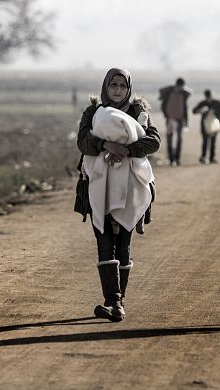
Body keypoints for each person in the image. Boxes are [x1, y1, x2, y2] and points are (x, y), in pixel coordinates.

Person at [77, 68, 160, 321]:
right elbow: (82, 141)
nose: (117, 89)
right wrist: (104, 145)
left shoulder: (138, 112)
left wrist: (124, 149)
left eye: (122, 85)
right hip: (98, 187)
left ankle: (116, 303)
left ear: (129, 89)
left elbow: (153, 141)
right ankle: (113, 302)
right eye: (113, 84)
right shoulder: (93, 112)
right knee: (104, 241)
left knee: (123, 243)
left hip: (131, 188)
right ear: (105, 87)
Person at [158, 77, 191, 166]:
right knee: (170, 139)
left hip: (180, 119)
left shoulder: (183, 94)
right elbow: (163, 104)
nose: (181, 88)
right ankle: (171, 159)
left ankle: (177, 158)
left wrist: (186, 121)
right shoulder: (169, 92)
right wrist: (166, 115)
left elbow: (185, 106)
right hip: (170, 119)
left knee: (179, 139)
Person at [192, 89, 220, 164]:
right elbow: (194, 111)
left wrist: (214, 111)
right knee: (205, 141)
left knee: (213, 142)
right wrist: (201, 110)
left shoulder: (217, 103)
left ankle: (212, 157)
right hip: (205, 126)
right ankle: (203, 157)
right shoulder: (203, 103)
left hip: (215, 125)